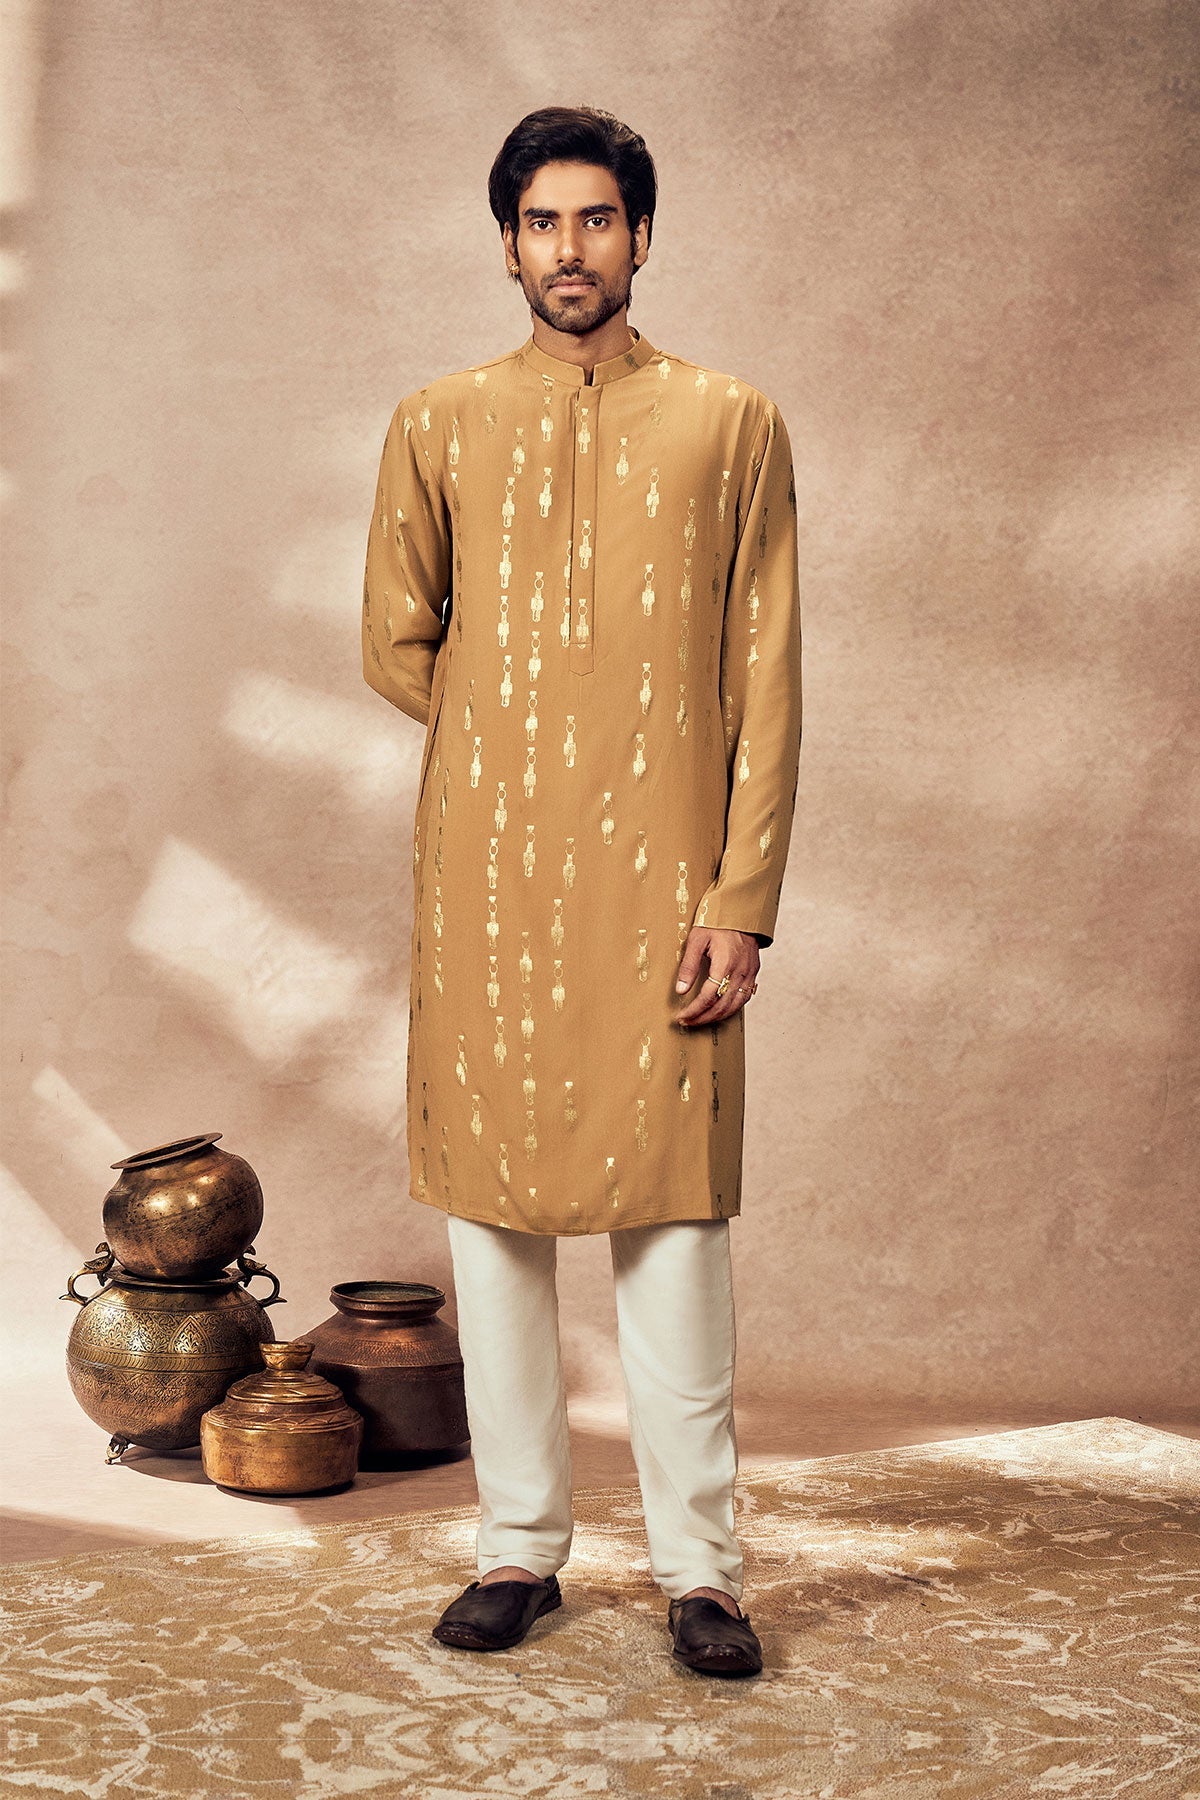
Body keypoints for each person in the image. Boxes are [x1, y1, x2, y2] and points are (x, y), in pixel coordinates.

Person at [361, 104, 802, 1678]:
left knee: (674, 1225)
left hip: (670, 880)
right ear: (507, 245)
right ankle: (517, 1550)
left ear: (641, 236)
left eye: (598, 218)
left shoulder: (731, 424)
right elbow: (394, 637)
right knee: (494, 1220)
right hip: (489, 874)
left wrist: (740, 895)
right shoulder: (438, 422)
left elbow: (767, 672)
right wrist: (523, 745)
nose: (571, 249)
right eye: (542, 222)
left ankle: (703, 1574)